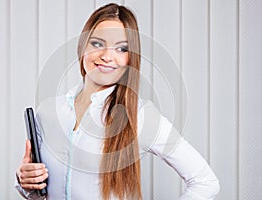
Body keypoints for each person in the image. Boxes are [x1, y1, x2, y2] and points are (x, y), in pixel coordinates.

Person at [15, 3, 220, 200]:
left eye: (121, 49)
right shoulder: (49, 111)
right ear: (82, 47)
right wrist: (26, 184)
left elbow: (205, 182)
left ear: (131, 57)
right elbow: (38, 194)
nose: (107, 56)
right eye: (97, 44)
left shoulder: (140, 115)